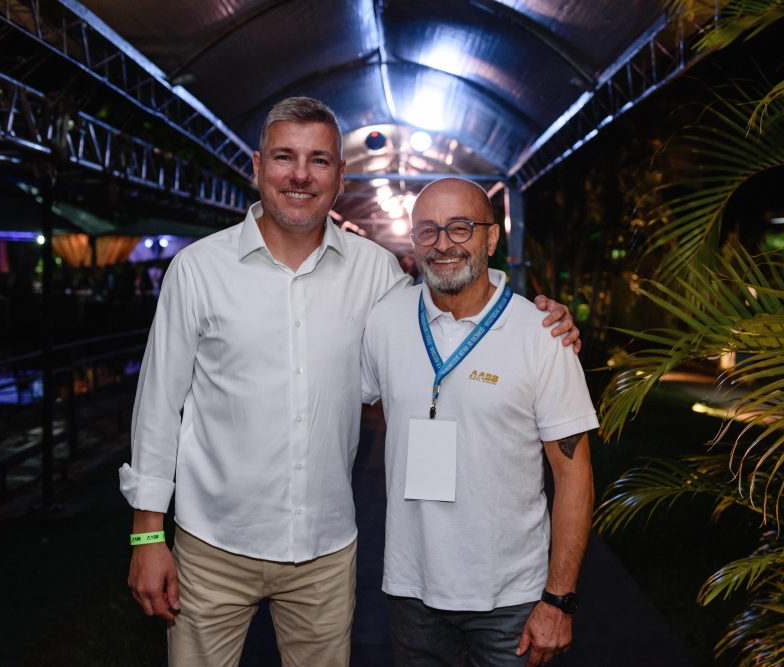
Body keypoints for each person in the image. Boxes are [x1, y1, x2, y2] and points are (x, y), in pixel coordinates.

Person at [120, 97, 580, 667]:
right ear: (258, 166)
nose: (300, 174)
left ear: (340, 176)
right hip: (211, 543)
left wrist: (534, 320)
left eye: (318, 160)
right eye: (285, 157)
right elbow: (158, 405)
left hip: (324, 552)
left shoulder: (377, 273)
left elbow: (451, 305)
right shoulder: (197, 270)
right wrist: (147, 533)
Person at [361, 178, 597, 667]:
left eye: (460, 227)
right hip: (410, 587)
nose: (443, 243)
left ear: (491, 239)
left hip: (511, 599)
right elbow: (332, 398)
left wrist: (559, 599)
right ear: (413, 240)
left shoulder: (542, 334)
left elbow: (573, 475)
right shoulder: (384, 321)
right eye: (428, 230)